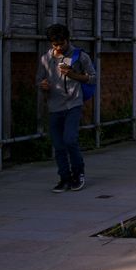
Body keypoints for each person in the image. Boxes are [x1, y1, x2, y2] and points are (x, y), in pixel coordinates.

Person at [37, 23, 96, 193]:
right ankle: (64, 177)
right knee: (58, 145)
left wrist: (73, 75)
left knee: (70, 139)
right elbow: (38, 80)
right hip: (54, 106)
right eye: (55, 45)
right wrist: (43, 85)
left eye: (61, 44)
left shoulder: (80, 56)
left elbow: (93, 78)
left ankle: (78, 174)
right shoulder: (45, 59)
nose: (58, 48)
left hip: (73, 104)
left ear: (67, 40)